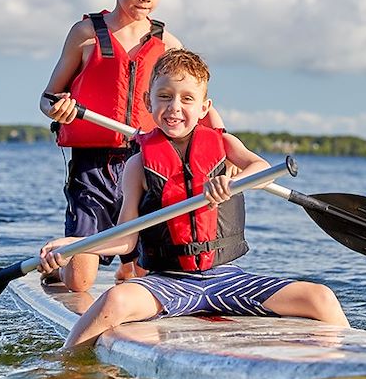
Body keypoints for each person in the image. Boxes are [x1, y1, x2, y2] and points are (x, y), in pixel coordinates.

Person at [38, 49, 350, 349]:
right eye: (164, 96)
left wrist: (231, 181)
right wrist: (74, 245)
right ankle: (65, 366)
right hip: (168, 284)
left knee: (320, 297)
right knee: (114, 301)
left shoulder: (223, 144)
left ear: (204, 107)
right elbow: (125, 241)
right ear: (148, 101)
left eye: (187, 99)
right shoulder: (137, 165)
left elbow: (262, 170)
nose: (175, 106)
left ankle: (352, 363)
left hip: (226, 280)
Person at [39, 0, 225, 292]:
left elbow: (196, 103)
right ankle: (57, 270)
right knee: (79, 283)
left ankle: (129, 270)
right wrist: (58, 109)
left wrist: (223, 143)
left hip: (146, 164)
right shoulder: (84, 35)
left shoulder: (169, 44)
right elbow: (48, 98)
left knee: (138, 274)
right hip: (92, 167)